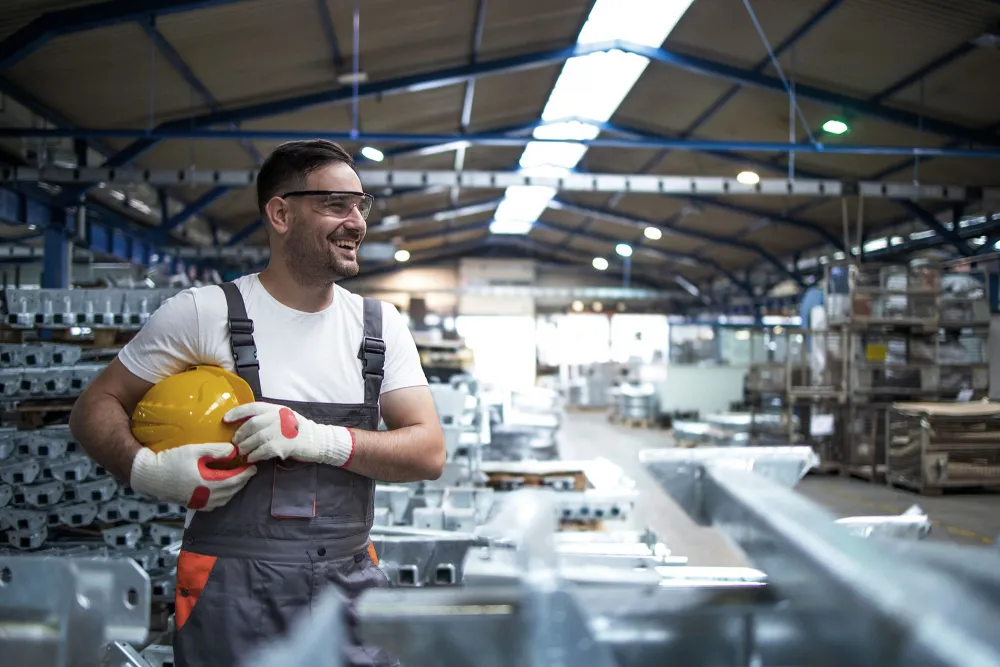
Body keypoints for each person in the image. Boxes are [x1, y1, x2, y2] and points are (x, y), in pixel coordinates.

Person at [69, 139, 446, 667]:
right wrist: (146, 470)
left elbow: (428, 451)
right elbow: (95, 406)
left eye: (361, 205)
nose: (357, 221)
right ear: (281, 213)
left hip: (348, 580)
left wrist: (319, 440)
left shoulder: (378, 328)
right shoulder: (204, 313)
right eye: (336, 205)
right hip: (229, 586)